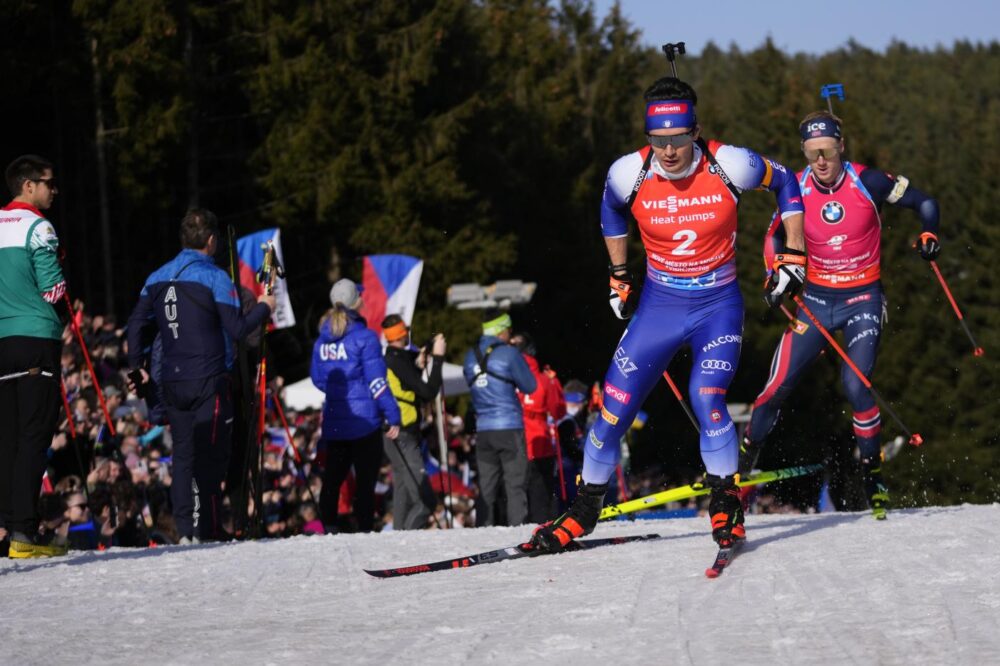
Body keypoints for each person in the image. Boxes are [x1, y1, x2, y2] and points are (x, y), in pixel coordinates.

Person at [531, 77, 807, 553]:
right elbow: (611, 209)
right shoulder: (628, 172)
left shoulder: (730, 164)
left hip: (717, 307)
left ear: (695, 132)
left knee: (707, 397)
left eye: (679, 138)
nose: (669, 150)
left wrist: (795, 253)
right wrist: (619, 273)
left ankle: (726, 502)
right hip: (659, 309)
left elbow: (784, 181)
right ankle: (582, 510)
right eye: (658, 140)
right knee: (613, 409)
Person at [741, 111, 941, 519]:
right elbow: (773, 235)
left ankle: (873, 473)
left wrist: (929, 233)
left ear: (841, 148)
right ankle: (743, 465)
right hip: (814, 303)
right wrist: (774, 273)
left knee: (855, 385)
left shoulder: (868, 181)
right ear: (804, 152)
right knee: (773, 390)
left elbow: (925, 201)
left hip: (862, 300)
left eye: (828, 151)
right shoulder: (794, 188)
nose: (821, 161)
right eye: (813, 153)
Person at [126, 208, 274, 543]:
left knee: (183, 455)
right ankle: (206, 529)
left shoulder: (157, 275)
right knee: (211, 455)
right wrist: (265, 306)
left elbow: (136, 322)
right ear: (211, 241)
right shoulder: (215, 277)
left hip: (172, 381)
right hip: (209, 378)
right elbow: (238, 329)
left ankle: (186, 530)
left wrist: (137, 366)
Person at [0, 154, 69, 558]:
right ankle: (24, 533)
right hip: (35, 336)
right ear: (29, 186)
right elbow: (53, 290)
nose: (54, 190)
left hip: (3, 339)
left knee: (7, 437)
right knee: (33, 436)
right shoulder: (39, 226)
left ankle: (8, 528)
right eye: (49, 182)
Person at [310, 279, 400, 533]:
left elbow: (318, 379)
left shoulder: (322, 340)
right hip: (364, 422)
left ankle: (327, 526)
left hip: (335, 419)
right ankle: (364, 531)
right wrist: (392, 415)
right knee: (365, 482)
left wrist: (339, 394)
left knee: (332, 479)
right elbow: (377, 381)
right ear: (356, 302)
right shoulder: (365, 337)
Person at [463, 309, 536, 526]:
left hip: (484, 431)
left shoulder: (469, 355)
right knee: (515, 484)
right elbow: (530, 386)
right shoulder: (509, 353)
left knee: (486, 486)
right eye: (509, 330)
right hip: (509, 427)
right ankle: (518, 532)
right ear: (502, 330)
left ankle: (483, 530)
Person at [380, 314, 444, 530]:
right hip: (403, 435)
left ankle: (399, 536)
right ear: (402, 334)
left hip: (395, 436)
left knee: (404, 494)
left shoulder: (394, 357)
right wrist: (438, 359)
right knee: (426, 501)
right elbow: (427, 391)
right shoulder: (396, 360)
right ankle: (406, 537)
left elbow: (407, 381)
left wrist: (419, 363)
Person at [511, 332, 565, 523]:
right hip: (539, 443)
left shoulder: (506, 376)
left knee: (515, 493)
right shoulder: (543, 378)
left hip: (514, 443)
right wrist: (555, 382)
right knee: (542, 493)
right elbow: (558, 411)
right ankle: (544, 527)